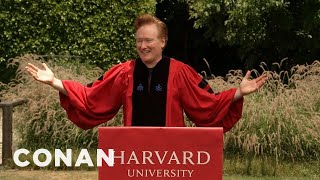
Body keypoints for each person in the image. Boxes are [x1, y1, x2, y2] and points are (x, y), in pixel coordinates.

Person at [25, 14, 267, 132]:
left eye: (149, 40)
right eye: (139, 41)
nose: (143, 46)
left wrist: (237, 92)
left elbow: (206, 106)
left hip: (173, 158)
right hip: (134, 157)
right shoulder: (124, 72)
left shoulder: (180, 72)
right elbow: (92, 97)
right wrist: (55, 82)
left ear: (163, 41)